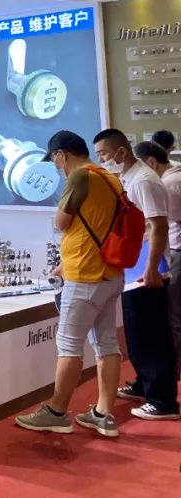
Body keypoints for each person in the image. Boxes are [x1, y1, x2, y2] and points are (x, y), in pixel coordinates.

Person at [15, 131, 125, 437]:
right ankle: (103, 414)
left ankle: (56, 412)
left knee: (68, 345)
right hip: (110, 273)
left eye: (54, 159)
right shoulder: (110, 177)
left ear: (61, 154)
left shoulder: (79, 177)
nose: (55, 166)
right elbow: (99, 226)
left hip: (85, 276)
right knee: (107, 344)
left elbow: (61, 222)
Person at [93, 129, 179, 421]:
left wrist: (152, 267)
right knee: (136, 331)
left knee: (152, 333)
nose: (102, 160)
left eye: (104, 154)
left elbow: (159, 226)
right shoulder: (126, 178)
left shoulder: (144, 180)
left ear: (120, 151)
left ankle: (163, 400)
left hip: (149, 268)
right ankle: (145, 383)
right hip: (133, 265)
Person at [133, 141, 181, 376]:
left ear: (151, 162)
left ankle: (176, 370)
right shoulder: (176, 174)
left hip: (178, 251)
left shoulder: (168, 183)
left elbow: (159, 224)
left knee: (175, 315)